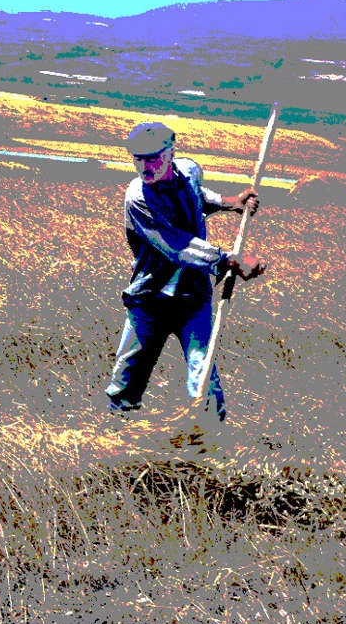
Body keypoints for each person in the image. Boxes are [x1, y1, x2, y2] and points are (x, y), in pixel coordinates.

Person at [104, 122, 267, 422]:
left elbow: (195, 194)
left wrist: (230, 203)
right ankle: (117, 435)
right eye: (138, 159)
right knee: (127, 380)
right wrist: (230, 261)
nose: (145, 166)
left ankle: (208, 438)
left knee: (202, 374)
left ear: (171, 152)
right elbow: (176, 245)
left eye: (153, 158)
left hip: (193, 298)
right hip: (151, 299)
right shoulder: (138, 197)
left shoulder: (189, 171)